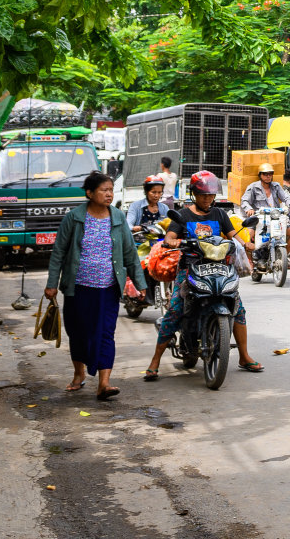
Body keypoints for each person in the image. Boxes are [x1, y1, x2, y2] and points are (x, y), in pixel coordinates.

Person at [142, 171, 262, 380]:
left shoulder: (219, 214)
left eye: (210, 195)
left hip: (218, 268)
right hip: (190, 269)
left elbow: (234, 235)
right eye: (203, 195)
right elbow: (170, 236)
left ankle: (243, 356)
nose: (207, 199)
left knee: (238, 307)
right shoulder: (183, 215)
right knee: (175, 310)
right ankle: (155, 360)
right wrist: (173, 241)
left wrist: (248, 244)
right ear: (194, 194)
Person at [45, 172, 146, 401]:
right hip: (77, 288)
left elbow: (130, 254)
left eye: (111, 189)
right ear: (89, 193)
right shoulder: (74, 218)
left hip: (108, 289)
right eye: (104, 190)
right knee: (78, 332)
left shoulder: (118, 217)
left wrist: (140, 284)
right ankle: (79, 373)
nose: (109, 194)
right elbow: (59, 252)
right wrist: (52, 284)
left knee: (105, 334)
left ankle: (104, 383)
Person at [240, 163, 290, 264]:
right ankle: (250, 261)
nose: (268, 176)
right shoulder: (253, 187)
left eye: (270, 174)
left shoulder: (276, 186)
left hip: (276, 218)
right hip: (259, 219)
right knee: (247, 236)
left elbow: (285, 198)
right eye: (265, 174)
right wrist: (249, 209)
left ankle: (282, 258)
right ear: (260, 175)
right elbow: (244, 201)